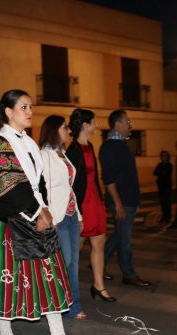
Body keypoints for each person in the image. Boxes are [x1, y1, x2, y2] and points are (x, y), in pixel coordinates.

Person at [0, 89, 85, 335]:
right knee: (7, 282)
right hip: (9, 222)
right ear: (8, 112)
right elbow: (8, 186)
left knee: (50, 278)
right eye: (23, 107)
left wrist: (45, 209)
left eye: (30, 106)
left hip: (36, 216)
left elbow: (39, 183)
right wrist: (39, 214)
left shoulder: (30, 143)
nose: (29, 111)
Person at [39, 115, 86, 320]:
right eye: (64, 127)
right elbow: (43, 190)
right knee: (64, 262)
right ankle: (59, 304)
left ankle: (73, 306)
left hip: (71, 215)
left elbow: (69, 187)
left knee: (73, 263)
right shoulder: (44, 155)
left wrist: (79, 214)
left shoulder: (62, 154)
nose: (68, 130)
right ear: (54, 130)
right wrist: (50, 217)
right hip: (58, 218)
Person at [66, 108, 115, 301]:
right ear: (85, 125)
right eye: (94, 122)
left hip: (94, 200)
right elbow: (71, 183)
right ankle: (69, 288)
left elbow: (93, 177)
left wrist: (100, 200)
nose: (97, 125)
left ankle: (99, 285)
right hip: (81, 204)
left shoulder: (91, 146)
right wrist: (75, 210)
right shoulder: (73, 150)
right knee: (76, 248)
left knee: (99, 243)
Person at [100, 109, 151, 288]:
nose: (130, 125)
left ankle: (98, 263)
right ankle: (129, 274)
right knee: (125, 241)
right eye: (127, 122)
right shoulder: (109, 146)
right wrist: (119, 204)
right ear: (118, 124)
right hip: (122, 202)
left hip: (129, 201)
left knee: (120, 236)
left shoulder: (122, 145)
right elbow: (109, 178)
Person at [153, 150, 173, 224]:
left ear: (167, 157)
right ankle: (163, 217)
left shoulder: (169, 165)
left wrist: (160, 172)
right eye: (162, 156)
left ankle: (168, 217)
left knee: (167, 202)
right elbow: (154, 172)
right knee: (162, 202)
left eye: (164, 156)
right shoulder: (160, 164)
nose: (163, 157)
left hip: (167, 186)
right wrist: (161, 172)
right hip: (161, 186)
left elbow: (166, 174)